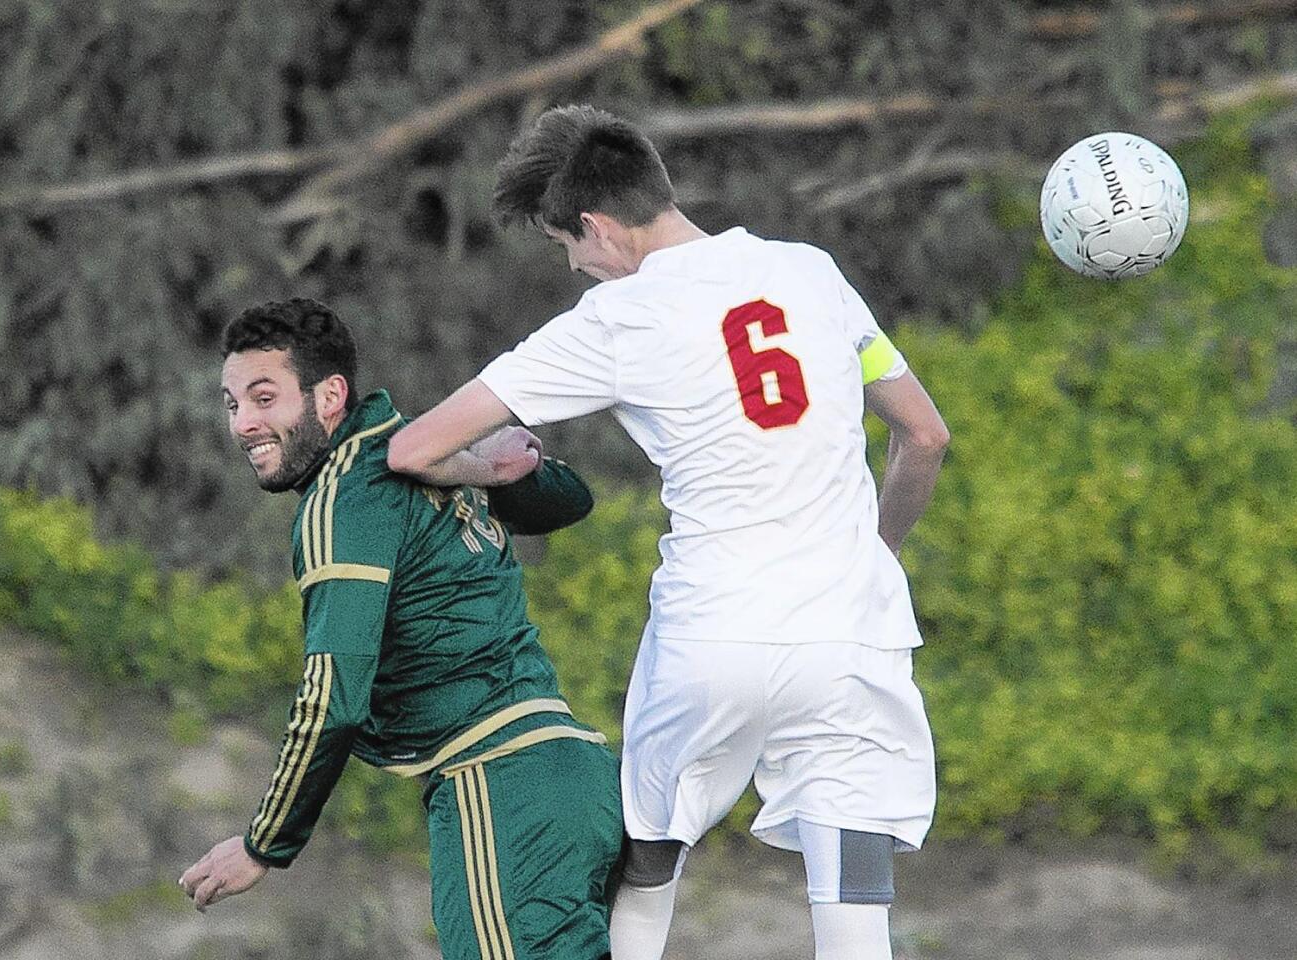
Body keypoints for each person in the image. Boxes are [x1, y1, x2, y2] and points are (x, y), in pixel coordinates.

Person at [386, 105, 951, 960]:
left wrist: (491, 469)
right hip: (850, 634)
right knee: (854, 905)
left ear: (598, 228)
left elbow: (414, 448)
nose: (575, 266)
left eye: (564, 245)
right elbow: (924, 436)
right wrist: (873, 559)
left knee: (648, 871)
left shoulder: (615, 319)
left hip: (711, 635)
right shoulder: (813, 273)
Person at [179, 298, 623, 960]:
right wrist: (504, 465)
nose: (244, 423)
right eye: (232, 403)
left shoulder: (345, 494)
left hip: (497, 789)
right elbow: (572, 502)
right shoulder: (427, 448)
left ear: (329, 396)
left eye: (264, 398)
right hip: (580, 780)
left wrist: (263, 845)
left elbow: (335, 696)